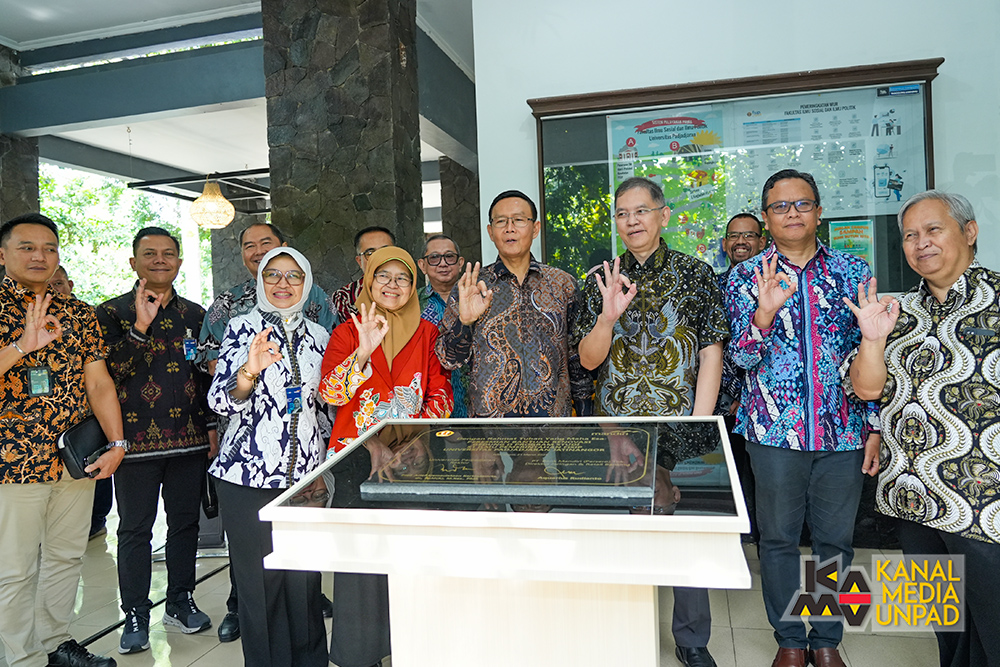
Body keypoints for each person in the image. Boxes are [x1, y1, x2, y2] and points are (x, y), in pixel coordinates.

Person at [724, 170, 879, 667]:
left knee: (837, 542)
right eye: (780, 206)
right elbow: (740, 359)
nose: (792, 213)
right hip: (772, 433)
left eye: (802, 203)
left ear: (819, 211)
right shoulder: (745, 277)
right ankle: (790, 639)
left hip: (842, 430)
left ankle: (827, 638)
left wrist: (874, 424)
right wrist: (764, 315)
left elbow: (871, 351)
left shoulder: (853, 272)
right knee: (778, 540)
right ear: (766, 218)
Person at [574, 177, 728, 667]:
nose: (632, 221)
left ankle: (692, 640)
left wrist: (702, 424)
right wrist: (606, 318)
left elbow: (711, 352)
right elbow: (588, 361)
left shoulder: (696, 274)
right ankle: (623, 630)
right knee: (623, 532)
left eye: (641, 210)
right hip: (618, 430)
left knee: (686, 535)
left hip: (684, 427)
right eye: (622, 213)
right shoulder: (600, 280)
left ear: (663, 215)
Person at [844, 190, 1000, 667]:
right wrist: (873, 340)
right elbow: (866, 389)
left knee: (993, 630)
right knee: (948, 631)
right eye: (910, 235)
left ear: (969, 232)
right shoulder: (897, 311)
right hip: (914, 500)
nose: (920, 243)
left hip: (984, 506)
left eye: (933, 230)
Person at [196, 221, 336, 641]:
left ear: (306, 284)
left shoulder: (320, 336)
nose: (282, 283)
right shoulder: (241, 327)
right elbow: (220, 401)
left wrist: (324, 467)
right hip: (246, 476)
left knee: (304, 584)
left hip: (305, 479)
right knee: (260, 586)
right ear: (260, 280)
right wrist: (248, 372)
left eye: (293, 275)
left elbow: (324, 407)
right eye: (273, 274)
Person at [0, 213, 126, 667]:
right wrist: (22, 346)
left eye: (49, 248)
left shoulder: (78, 313)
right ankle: (21, 657)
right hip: (12, 462)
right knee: (15, 569)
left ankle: (55, 643)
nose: (40, 256)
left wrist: (117, 444)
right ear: (2, 255)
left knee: (66, 557)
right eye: (27, 247)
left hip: (75, 458)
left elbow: (99, 383)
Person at [320, 246, 452, 667]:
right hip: (357, 460)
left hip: (415, 460)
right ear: (368, 280)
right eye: (383, 276)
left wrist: (413, 440)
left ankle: (417, 649)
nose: (392, 285)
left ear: (414, 286)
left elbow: (441, 394)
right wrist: (363, 351)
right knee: (361, 564)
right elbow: (331, 393)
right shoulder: (347, 332)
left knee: (415, 557)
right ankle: (362, 656)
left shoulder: (427, 334)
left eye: (402, 278)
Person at [96, 227, 216, 654]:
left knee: (185, 524)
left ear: (179, 262)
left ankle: (181, 601)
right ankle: (135, 614)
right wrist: (140, 327)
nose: (160, 260)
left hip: (189, 440)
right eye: (150, 254)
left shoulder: (196, 314)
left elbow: (205, 378)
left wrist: (211, 428)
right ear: (134, 262)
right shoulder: (110, 313)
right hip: (132, 445)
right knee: (134, 530)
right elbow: (108, 374)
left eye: (168, 253)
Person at [436, 190, 592, 418]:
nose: (509, 228)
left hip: (554, 426)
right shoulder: (472, 287)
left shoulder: (562, 284)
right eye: (501, 221)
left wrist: (586, 421)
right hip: (490, 428)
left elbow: (577, 361)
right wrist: (464, 322)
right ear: (490, 232)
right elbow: (448, 360)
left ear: (535, 228)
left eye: (518, 220)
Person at [47, 266, 114, 541]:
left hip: (83, 425)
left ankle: (96, 523)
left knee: (93, 472)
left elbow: (101, 380)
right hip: (26, 447)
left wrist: (117, 441)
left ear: (70, 284)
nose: (53, 289)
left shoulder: (84, 316)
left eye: (58, 283)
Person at [717, 213, 767, 544]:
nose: (741, 242)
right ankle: (735, 542)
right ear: (725, 244)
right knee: (731, 477)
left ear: (762, 242)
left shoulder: (776, 285)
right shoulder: (714, 286)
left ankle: (762, 542)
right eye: (734, 236)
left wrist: (746, 395)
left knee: (762, 482)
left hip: (763, 403)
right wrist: (729, 396)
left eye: (749, 235)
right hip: (724, 404)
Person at [417, 233, 470, 417]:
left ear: (460, 262)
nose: (443, 263)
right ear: (422, 265)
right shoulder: (412, 304)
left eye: (449, 256)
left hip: (476, 404)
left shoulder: (478, 298)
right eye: (434, 258)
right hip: (429, 405)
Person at [329, 226, 395, 323]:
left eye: (385, 251)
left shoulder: (408, 290)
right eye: (370, 253)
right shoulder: (344, 297)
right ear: (359, 261)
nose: (379, 258)